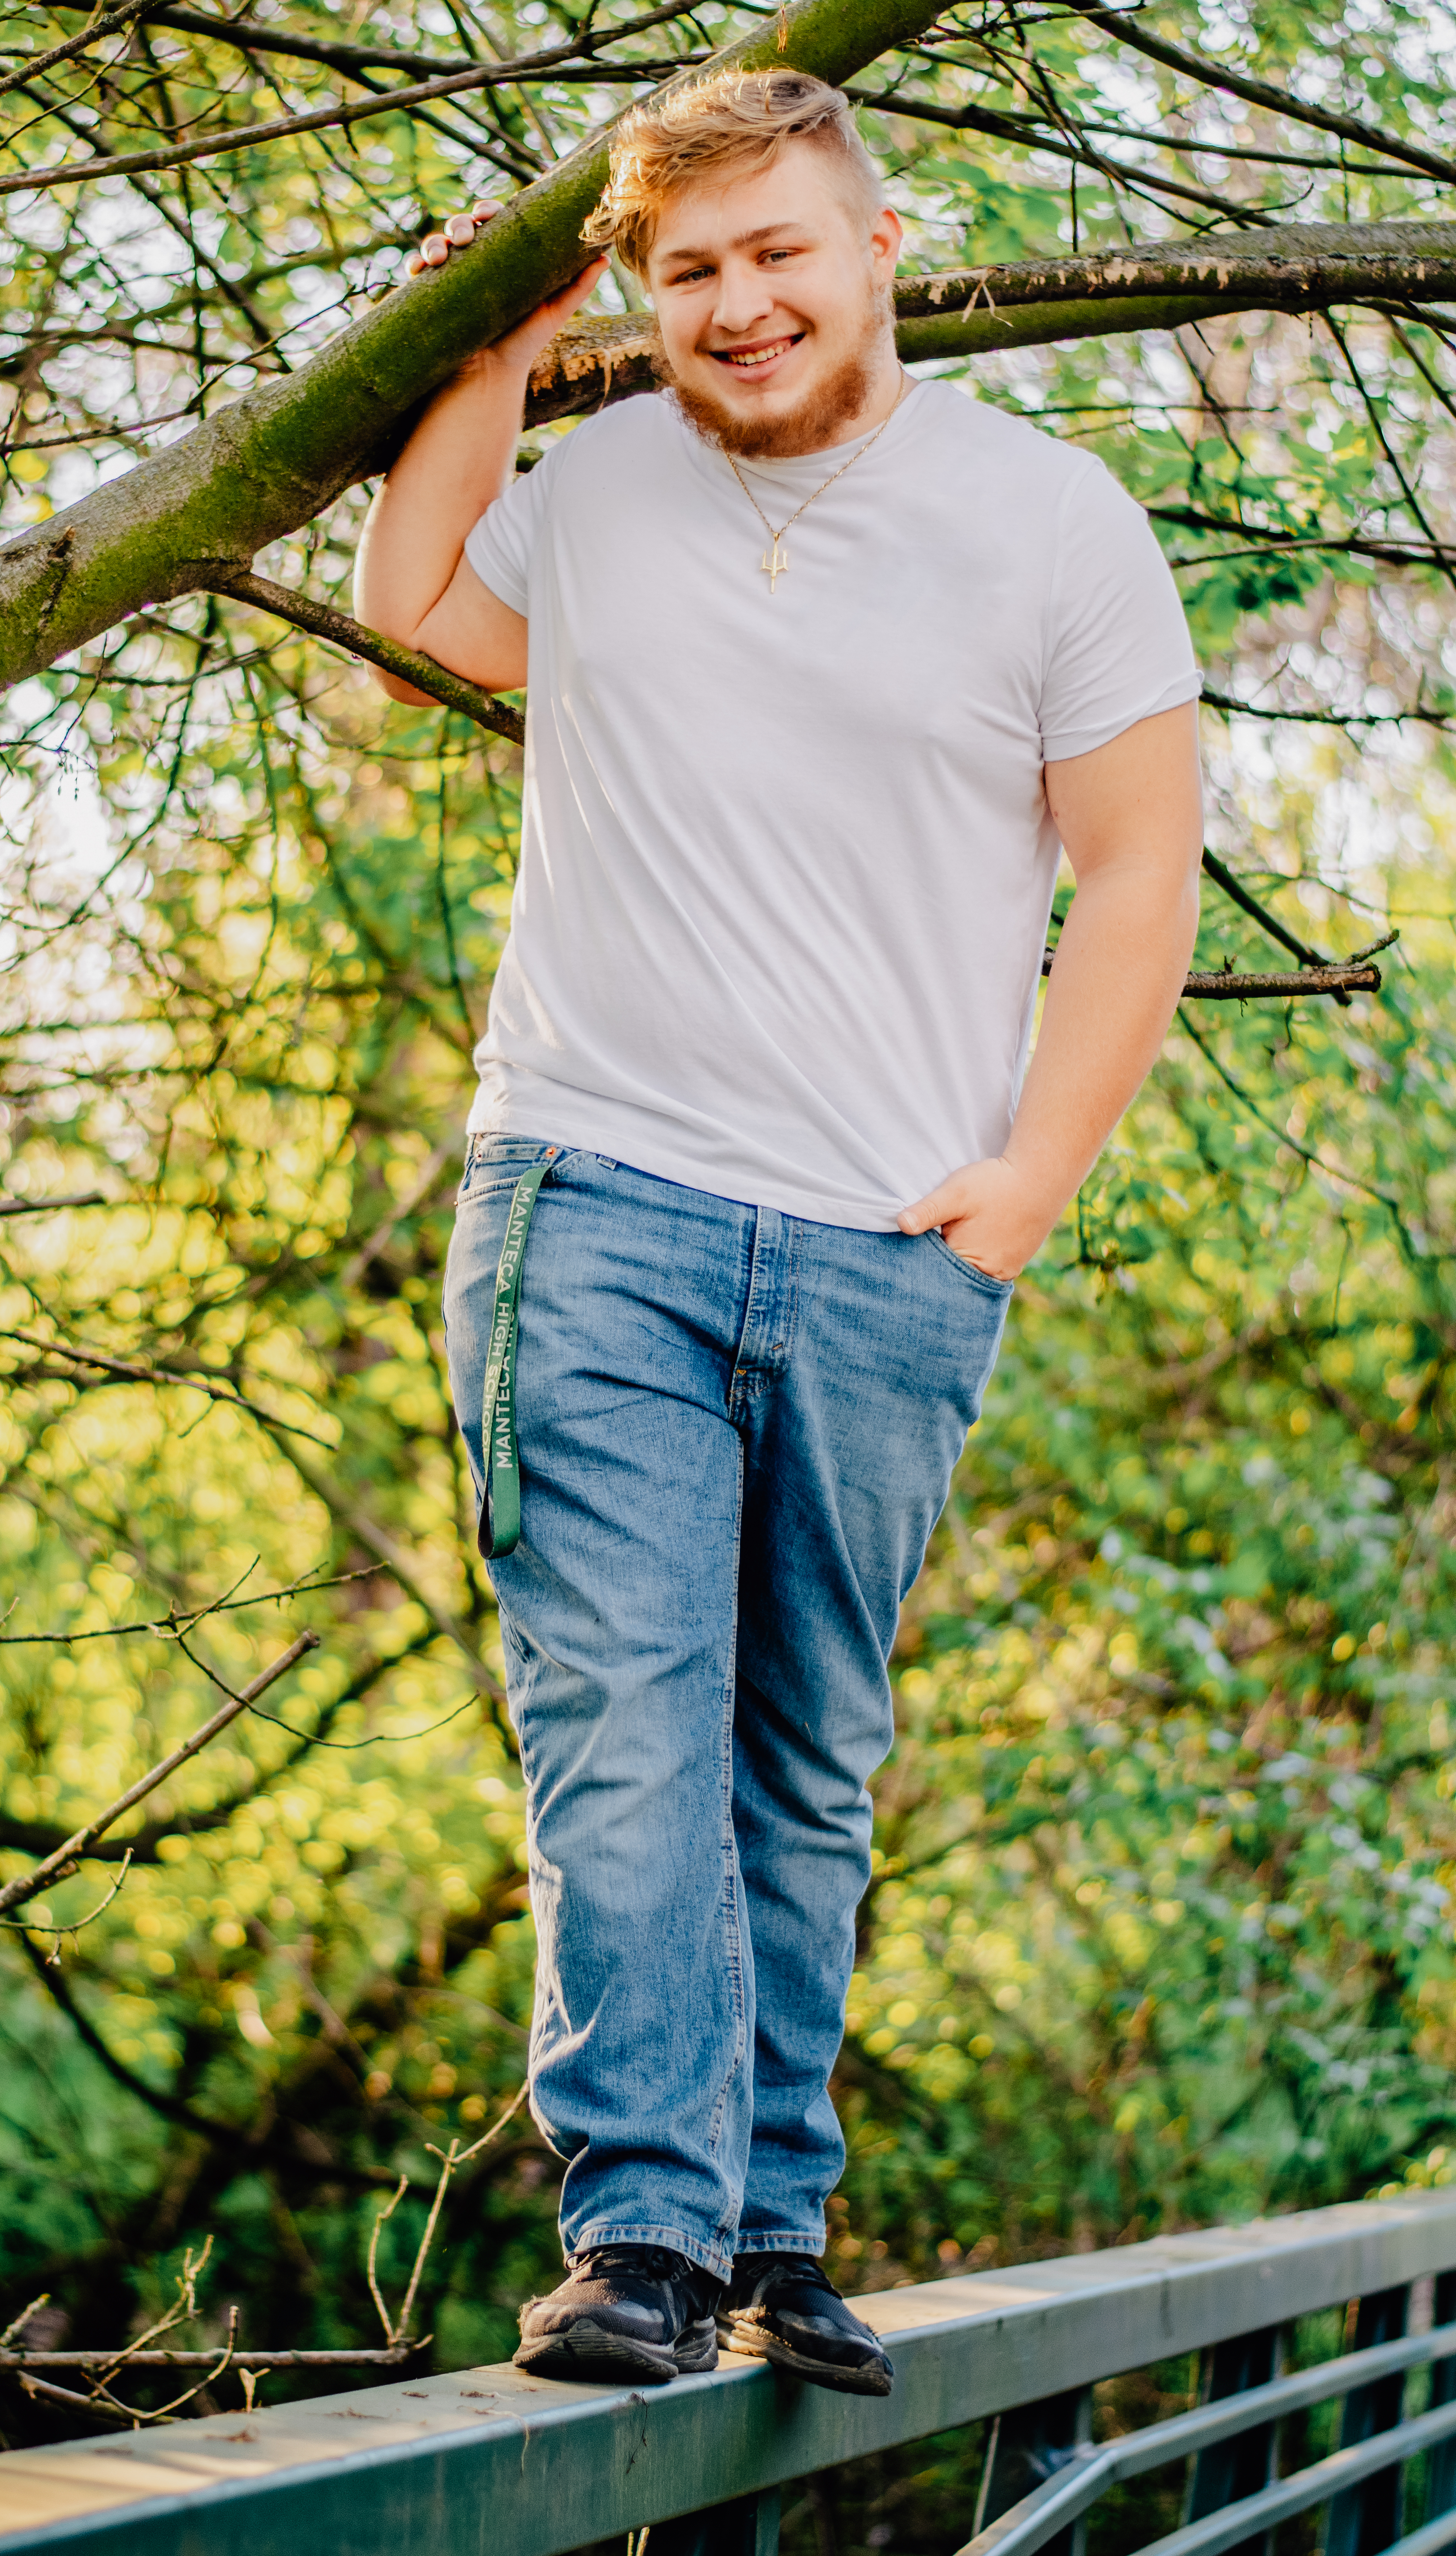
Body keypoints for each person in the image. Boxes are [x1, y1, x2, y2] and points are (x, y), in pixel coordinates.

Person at [355, 69, 1202, 2396]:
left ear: (878, 239)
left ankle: (769, 2218)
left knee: (803, 1758)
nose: (740, 307)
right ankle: (641, 2234)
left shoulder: (1048, 523)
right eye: (689, 270)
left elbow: (1138, 868)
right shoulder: (602, 489)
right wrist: (490, 357)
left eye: (780, 254)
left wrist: (1024, 1187)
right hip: (593, 1200)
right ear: (645, 289)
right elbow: (418, 607)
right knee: (622, 1723)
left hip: (887, 1246)